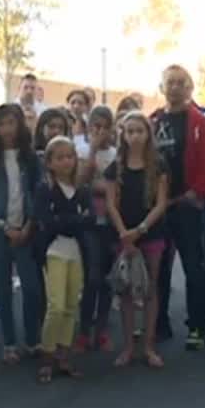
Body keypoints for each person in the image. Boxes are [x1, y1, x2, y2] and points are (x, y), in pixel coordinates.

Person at [150, 65, 205, 349]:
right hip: (158, 207)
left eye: (181, 83)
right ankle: (159, 324)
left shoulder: (201, 124)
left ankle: (197, 326)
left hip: (186, 206)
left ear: (190, 88)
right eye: (170, 82)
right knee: (158, 268)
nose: (175, 87)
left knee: (194, 267)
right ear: (162, 87)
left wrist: (197, 193)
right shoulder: (152, 121)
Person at [0, 104, 44, 365]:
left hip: (26, 229)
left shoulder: (29, 155)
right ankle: (9, 343)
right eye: (2, 124)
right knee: (3, 287)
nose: (7, 129)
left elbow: (39, 192)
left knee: (31, 287)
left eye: (11, 123)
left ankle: (32, 338)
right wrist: (2, 224)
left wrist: (29, 225)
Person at [104, 112, 169, 368]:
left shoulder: (159, 164)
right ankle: (129, 346)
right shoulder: (116, 166)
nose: (134, 136)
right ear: (123, 134)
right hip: (123, 234)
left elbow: (162, 203)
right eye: (129, 131)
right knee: (127, 290)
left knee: (151, 287)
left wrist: (140, 230)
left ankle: (149, 345)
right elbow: (110, 204)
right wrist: (124, 234)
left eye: (139, 131)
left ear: (148, 134)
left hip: (151, 231)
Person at [34, 136, 94, 383]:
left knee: (70, 306)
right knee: (56, 306)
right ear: (49, 162)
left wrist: (68, 220)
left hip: (76, 252)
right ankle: (47, 357)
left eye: (70, 156)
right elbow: (47, 222)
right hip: (54, 252)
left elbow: (89, 220)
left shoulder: (81, 190)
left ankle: (64, 356)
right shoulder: (45, 188)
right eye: (59, 158)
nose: (66, 162)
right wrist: (75, 219)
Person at [73, 105, 118, 352]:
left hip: (110, 222)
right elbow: (80, 183)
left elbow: (114, 188)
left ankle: (101, 330)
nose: (99, 132)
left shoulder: (115, 154)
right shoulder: (81, 150)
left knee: (106, 279)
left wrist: (98, 186)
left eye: (104, 127)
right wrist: (91, 151)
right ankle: (84, 329)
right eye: (94, 127)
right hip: (89, 222)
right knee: (92, 277)